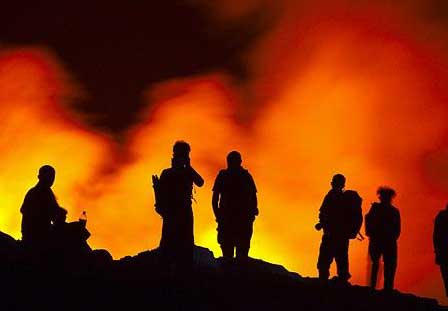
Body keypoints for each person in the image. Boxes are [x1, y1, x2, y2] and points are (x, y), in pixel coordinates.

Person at [153, 141, 204, 266]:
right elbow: (161, 195)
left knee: (183, 244)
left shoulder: (184, 172)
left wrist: (189, 167)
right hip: (174, 213)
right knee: (170, 243)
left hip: (182, 213)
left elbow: (200, 182)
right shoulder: (169, 173)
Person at [212, 151, 258, 262]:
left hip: (241, 221)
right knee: (229, 256)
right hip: (229, 221)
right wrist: (218, 215)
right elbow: (214, 199)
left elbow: (253, 197)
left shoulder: (245, 176)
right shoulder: (224, 176)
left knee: (240, 256)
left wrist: (251, 214)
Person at [316, 174, 362, 282]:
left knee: (327, 261)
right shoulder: (334, 196)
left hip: (334, 235)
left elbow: (326, 214)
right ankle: (338, 284)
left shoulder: (337, 197)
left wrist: (322, 223)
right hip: (338, 236)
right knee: (339, 261)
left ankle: (326, 285)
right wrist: (322, 223)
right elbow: (324, 213)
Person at [20, 165, 67, 254]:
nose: (51, 179)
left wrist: (60, 213)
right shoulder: (34, 192)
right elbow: (25, 211)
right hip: (34, 235)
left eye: (53, 176)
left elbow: (55, 211)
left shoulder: (47, 192)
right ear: (40, 177)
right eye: (49, 176)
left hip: (43, 231)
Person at [365, 187, 400, 291]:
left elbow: (397, 228)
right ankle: (377, 287)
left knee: (385, 264)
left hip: (385, 241)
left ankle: (383, 287)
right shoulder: (382, 209)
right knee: (379, 263)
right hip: (381, 240)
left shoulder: (391, 211)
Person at [433, 203, 448, 296]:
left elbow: (436, 236)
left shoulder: (441, 216)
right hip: (443, 252)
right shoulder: (441, 216)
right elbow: (436, 236)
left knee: (446, 276)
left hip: (442, 252)